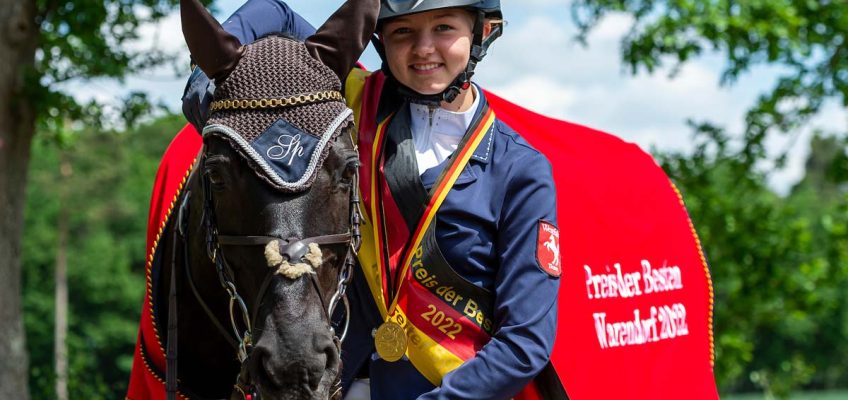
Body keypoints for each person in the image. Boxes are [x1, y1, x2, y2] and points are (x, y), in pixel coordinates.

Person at [182, 1, 562, 399]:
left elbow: (524, 342)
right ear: (379, 41)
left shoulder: (521, 170)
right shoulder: (350, 104)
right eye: (403, 33)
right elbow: (276, 11)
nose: (424, 48)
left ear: (482, 32)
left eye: (444, 28)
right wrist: (208, 67)